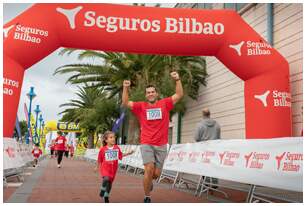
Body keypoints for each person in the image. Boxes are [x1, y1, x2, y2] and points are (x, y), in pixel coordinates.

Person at [122, 71, 183, 203]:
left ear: (156, 94)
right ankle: (147, 196)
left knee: (155, 174)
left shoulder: (164, 103)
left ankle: (150, 181)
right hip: (146, 143)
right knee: (148, 169)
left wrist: (177, 79)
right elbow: (126, 102)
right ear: (146, 95)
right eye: (148, 92)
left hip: (161, 144)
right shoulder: (141, 107)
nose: (150, 94)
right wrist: (125, 88)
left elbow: (179, 95)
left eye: (152, 92)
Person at [96, 131, 134, 203]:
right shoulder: (103, 149)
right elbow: (99, 159)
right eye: (111, 137)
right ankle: (102, 189)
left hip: (113, 169)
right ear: (106, 140)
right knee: (106, 178)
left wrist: (129, 153)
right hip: (105, 168)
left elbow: (120, 156)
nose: (113, 139)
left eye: (114, 137)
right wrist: (97, 167)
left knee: (110, 184)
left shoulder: (117, 148)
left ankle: (106, 196)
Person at [194, 108, 221, 189]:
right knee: (214, 166)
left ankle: (207, 183)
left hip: (204, 149)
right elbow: (219, 137)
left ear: (202, 114)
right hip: (215, 149)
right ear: (210, 114)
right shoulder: (217, 124)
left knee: (205, 166)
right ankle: (215, 183)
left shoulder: (200, 125)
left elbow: (196, 138)